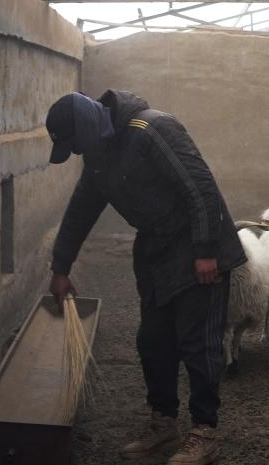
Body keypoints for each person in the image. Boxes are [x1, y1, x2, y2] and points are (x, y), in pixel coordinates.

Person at [46, 90, 245, 465]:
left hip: (196, 247)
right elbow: (80, 210)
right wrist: (60, 268)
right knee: (153, 341)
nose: (76, 153)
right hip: (156, 250)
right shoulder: (98, 154)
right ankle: (164, 425)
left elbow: (200, 187)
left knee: (198, 343)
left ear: (86, 127)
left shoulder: (152, 129)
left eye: (75, 144)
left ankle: (205, 432)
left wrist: (205, 251)